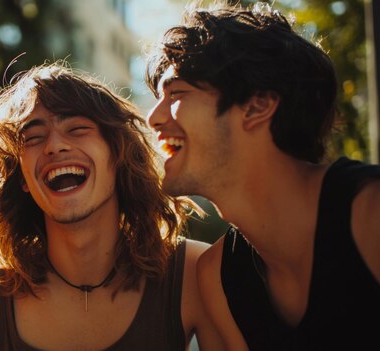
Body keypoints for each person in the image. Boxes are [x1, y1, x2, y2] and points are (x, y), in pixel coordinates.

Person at [145, 1, 380, 350]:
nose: (153, 118)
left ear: (257, 105)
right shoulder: (217, 276)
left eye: (176, 93)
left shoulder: (369, 213)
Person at [0, 62, 223, 350]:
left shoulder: (195, 273)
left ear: (118, 154)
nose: (55, 146)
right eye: (34, 137)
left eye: (77, 129)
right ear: (22, 178)